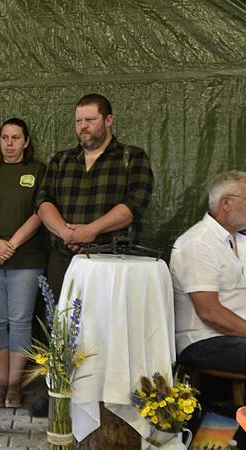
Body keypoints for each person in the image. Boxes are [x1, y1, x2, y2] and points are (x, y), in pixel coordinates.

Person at [34, 93, 154, 416]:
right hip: (64, 258)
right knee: (59, 325)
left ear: (109, 121)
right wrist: (66, 232)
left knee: (105, 328)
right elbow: (43, 202)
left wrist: (91, 230)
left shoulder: (132, 158)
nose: (83, 127)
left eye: (90, 120)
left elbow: (134, 205)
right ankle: (57, 388)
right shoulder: (61, 161)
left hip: (110, 262)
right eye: (78, 121)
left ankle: (108, 394)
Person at [171, 171, 246, 450]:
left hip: (241, 336)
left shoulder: (241, 241)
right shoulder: (197, 243)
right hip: (204, 340)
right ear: (227, 202)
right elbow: (210, 313)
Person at [0, 118, 47, 408]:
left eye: (16, 137)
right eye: (5, 137)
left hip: (26, 258)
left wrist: (12, 244)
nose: (10, 143)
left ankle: (15, 385)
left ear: (26, 141)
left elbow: (41, 212)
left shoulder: (38, 171)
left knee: (19, 321)